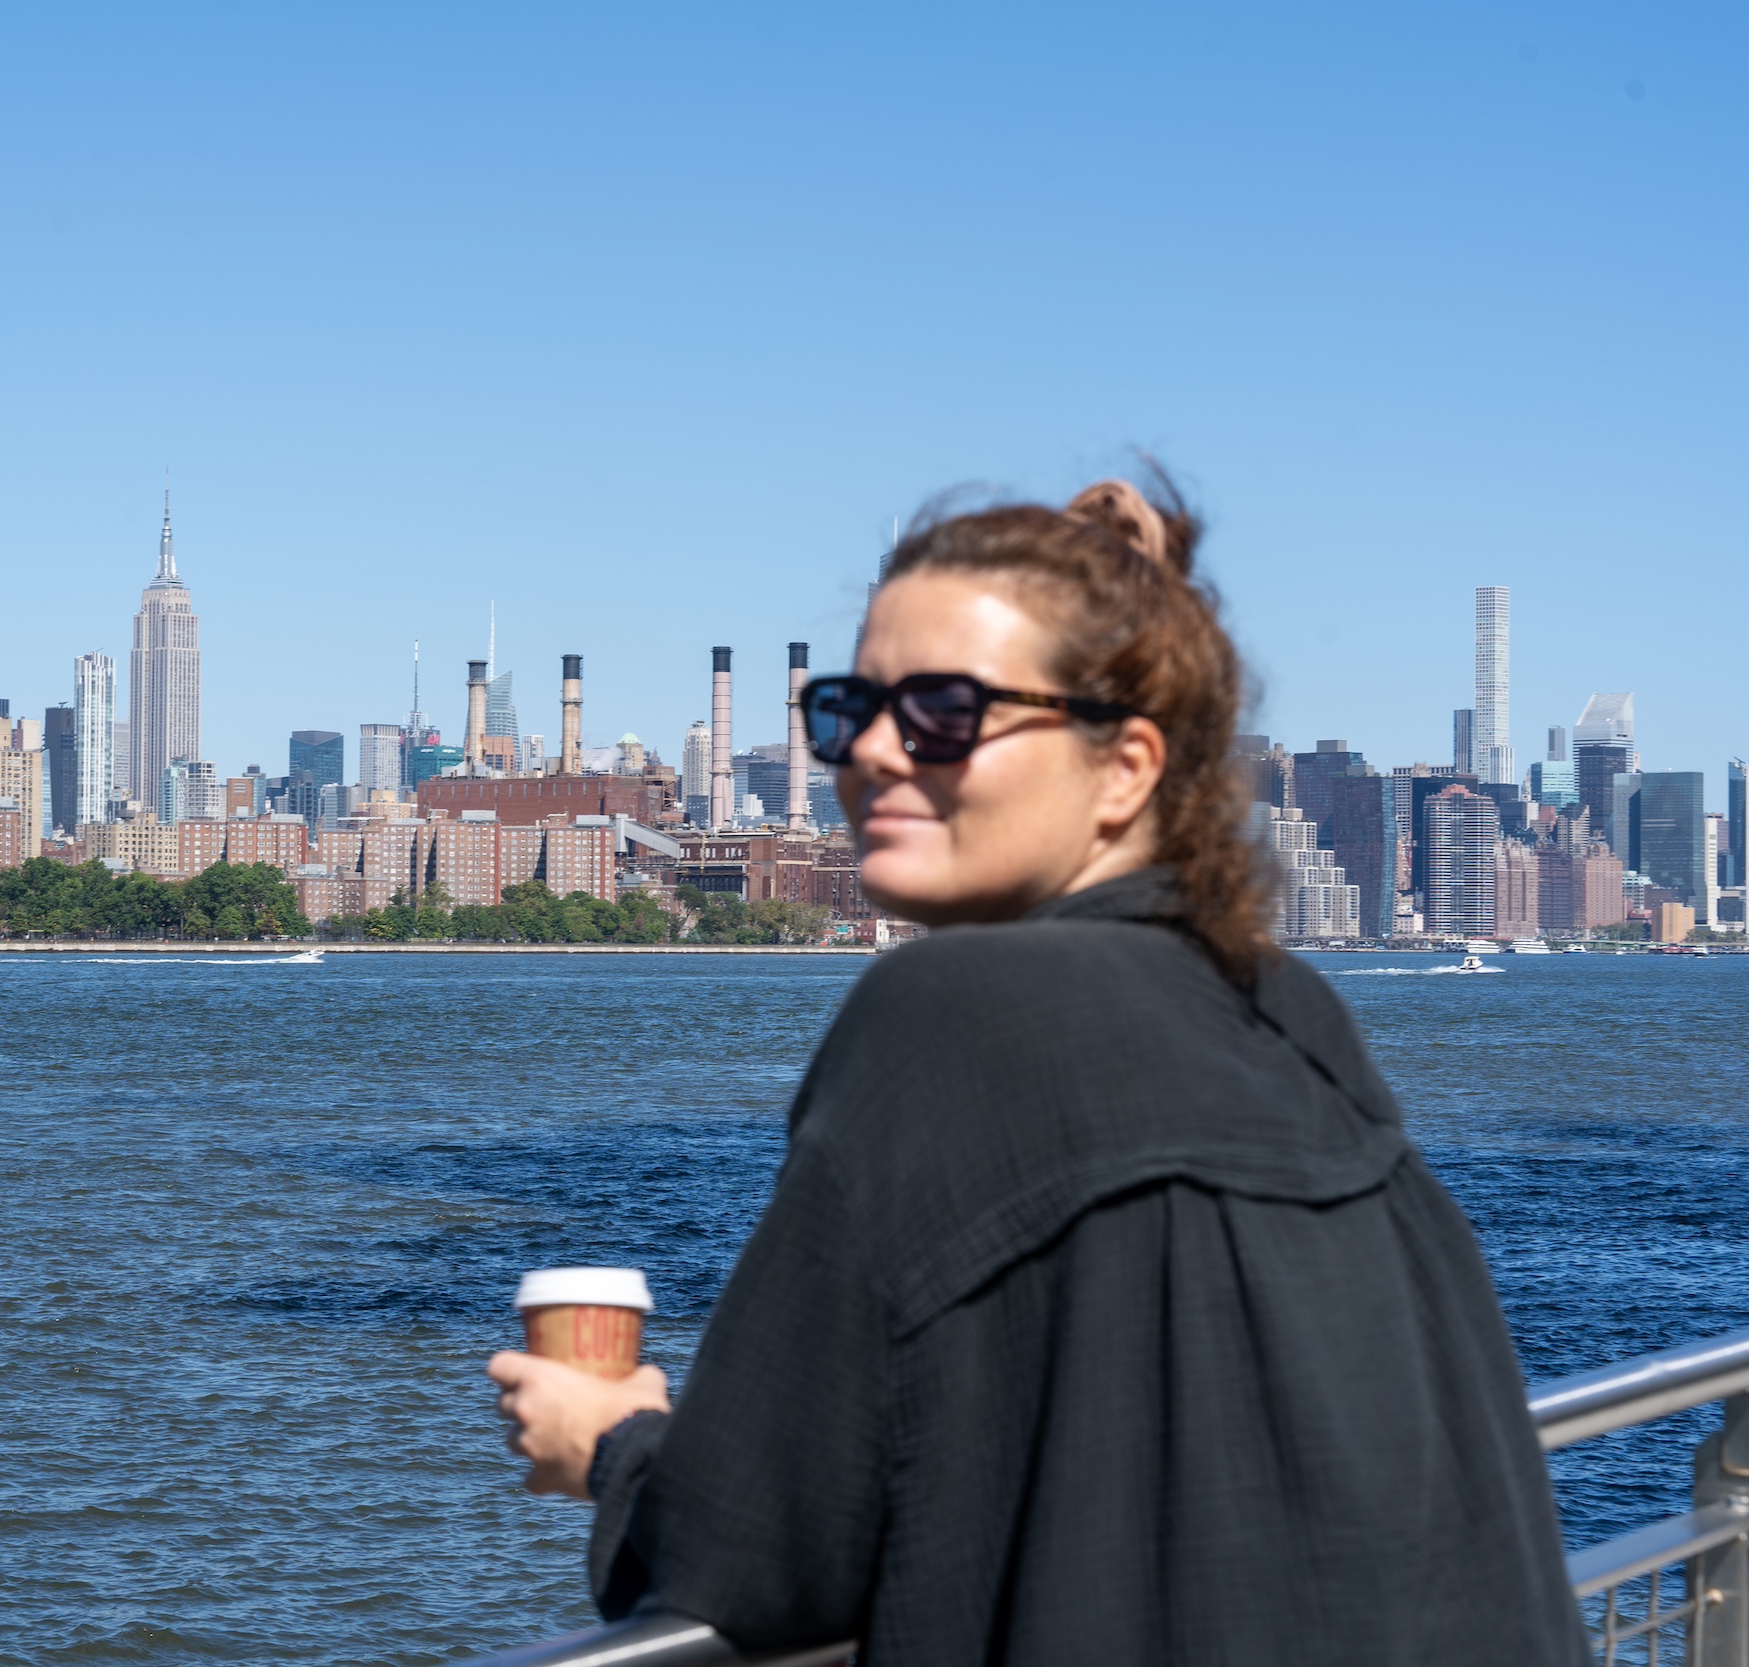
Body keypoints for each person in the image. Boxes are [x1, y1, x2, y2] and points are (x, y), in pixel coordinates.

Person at [486, 478, 1586, 1666]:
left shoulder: (949, 1012)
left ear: (1123, 766)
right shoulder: (1282, 1008)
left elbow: (746, 1556)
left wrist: (611, 1441)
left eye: (944, 711)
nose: (864, 749)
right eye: (847, 708)